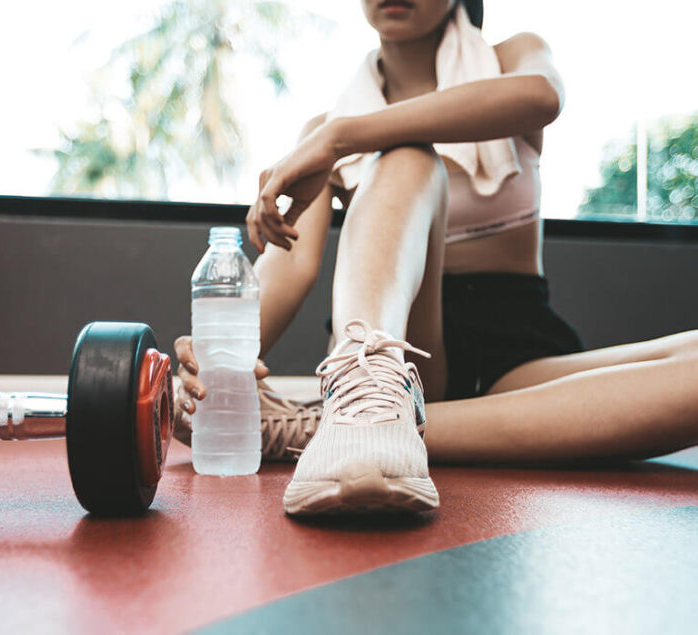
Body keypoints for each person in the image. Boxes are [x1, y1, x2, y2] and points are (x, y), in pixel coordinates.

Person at [174, 0, 698, 515]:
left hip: (517, 355)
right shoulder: (323, 130)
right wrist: (213, 367)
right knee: (407, 154)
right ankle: (368, 396)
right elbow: (290, 266)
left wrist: (342, 137)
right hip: (395, 346)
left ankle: (331, 425)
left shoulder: (510, 60)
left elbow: (541, 97)